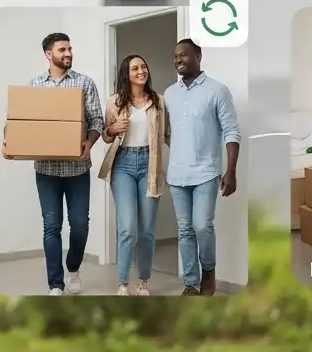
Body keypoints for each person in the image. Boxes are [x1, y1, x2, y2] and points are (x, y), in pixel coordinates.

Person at [5, 32, 103, 295]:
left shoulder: (85, 83)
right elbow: (21, 121)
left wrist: (88, 143)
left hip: (77, 168)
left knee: (80, 225)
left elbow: (97, 121)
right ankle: (56, 283)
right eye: (62, 50)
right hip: (46, 170)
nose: (68, 53)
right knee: (52, 226)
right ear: (49, 55)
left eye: (70, 48)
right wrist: (9, 144)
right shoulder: (35, 85)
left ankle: (73, 268)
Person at [163, 39, 239, 296]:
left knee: (202, 226)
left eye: (183, 55)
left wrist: (231, 171)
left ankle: (209, 272)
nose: (178, 60)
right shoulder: (170, 94)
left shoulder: (217, 90)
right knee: (185, 230)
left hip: (206, 172)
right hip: (177, 174)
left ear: (198, 56)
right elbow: (166, 131)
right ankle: (191, 284)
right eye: (175, 56)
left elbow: (231, 131)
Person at [98, 54, 168, 296]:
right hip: (123, 164)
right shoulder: (114, 102)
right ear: (126, 74)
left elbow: (168, 135)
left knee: (147, 230)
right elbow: (106, 135)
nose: (141, 71)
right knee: (127, 228)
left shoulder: (159, 101)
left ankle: (143, 283)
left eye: (144, 66)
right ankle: (122, 284)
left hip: (150, 163)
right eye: (135, 68)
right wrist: (112, 129)